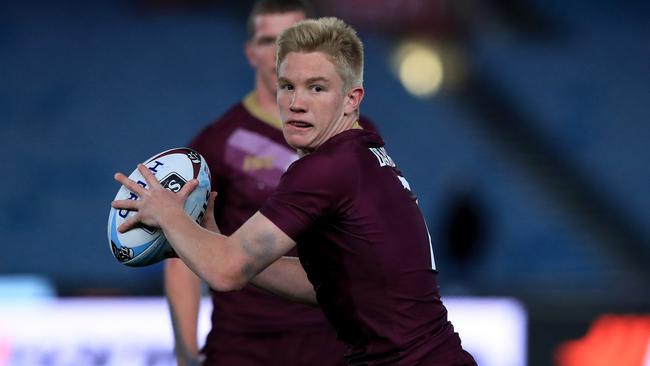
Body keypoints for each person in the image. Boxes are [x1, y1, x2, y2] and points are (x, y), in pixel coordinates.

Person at [114, 17, 476, 366]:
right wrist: (216, 238)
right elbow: (321, 282)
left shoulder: (325, 169)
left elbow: (225, 272)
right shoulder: (363, 154)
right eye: (287, 86)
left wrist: (168, 214)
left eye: (316, 88)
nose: (296, 102)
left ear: (352, 99)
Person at [164, 1, 374, 365]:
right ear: (251, 52)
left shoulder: (353, 134)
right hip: (245, 345)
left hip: (333, 342)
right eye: (268, 41)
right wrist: (184, 347)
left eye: (290, 39)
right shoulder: (218, 142)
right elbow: (183, 251)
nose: (281, 52)